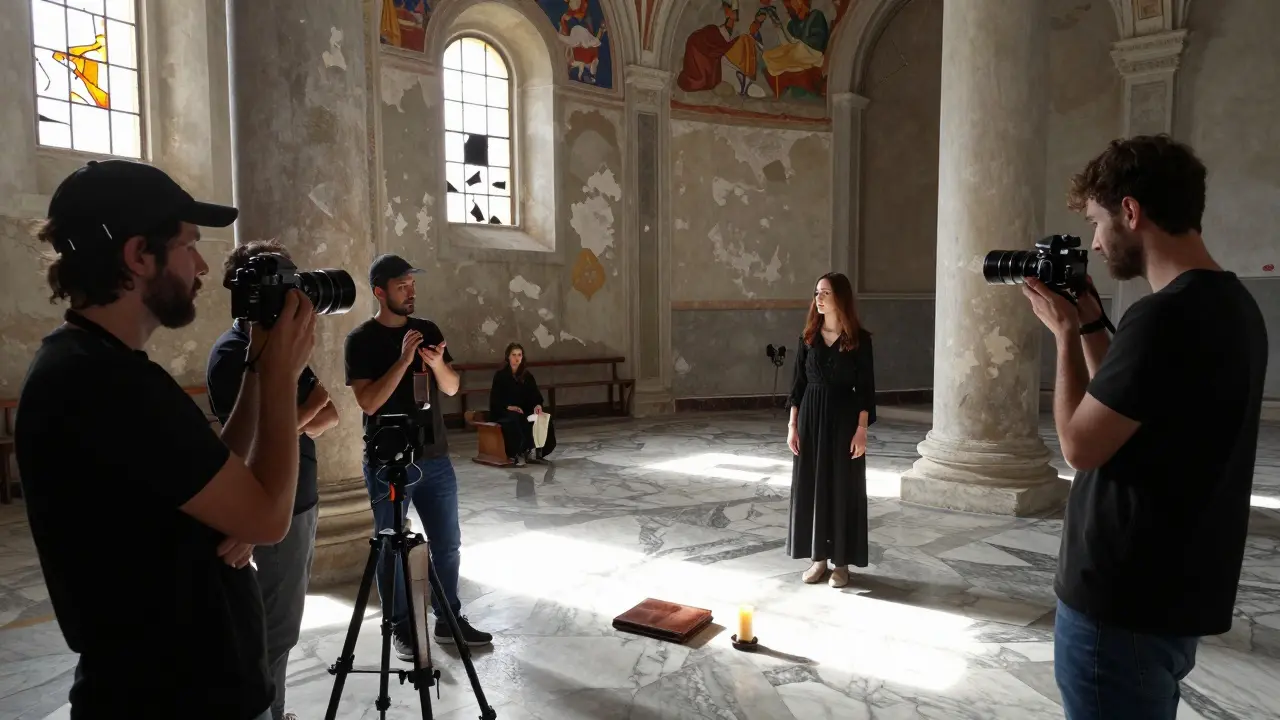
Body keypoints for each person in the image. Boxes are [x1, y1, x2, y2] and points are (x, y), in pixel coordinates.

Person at [14, 159, 316, 719]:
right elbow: (269, 518)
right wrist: (281, 377)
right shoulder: (107, 385)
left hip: (163, 685)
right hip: (173, 696)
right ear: (138, 256)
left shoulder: (92, 365)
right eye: (188, 245)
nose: (203, 266)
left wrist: (255, 366)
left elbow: (211, 470)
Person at [1021, 135, 1269, 720]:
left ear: (1130, 211)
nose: (1097, 244)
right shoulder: (1232, 306)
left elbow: (1081, 445)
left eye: (1097, 223)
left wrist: (1060, 336)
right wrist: (1088, 322)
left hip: (1119, 601)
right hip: (1173, 592)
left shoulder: (1162, 317)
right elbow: (1126, 400)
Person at [206, 239, 340, 720]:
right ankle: (268, 711)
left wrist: (288, 414)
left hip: (296, 496)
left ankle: (272, 708)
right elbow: (247, 440)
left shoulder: (272, 348)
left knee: (283, 621)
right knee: (277, 626)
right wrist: (292, 415)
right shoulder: (232, 354)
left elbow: (330, 412)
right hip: (268, 496)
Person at [344, 254, 493, 656]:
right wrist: (403, 361)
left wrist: (437, 363)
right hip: (388, 463)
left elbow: (449, 388)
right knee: (391, 545)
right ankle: (401, 626)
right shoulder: (361, 340)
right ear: (380, 291)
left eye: (412, 284)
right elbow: (369, 402)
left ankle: (448, 619)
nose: (411, 292)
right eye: (401, 286)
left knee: (447, 544)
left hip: (435, 457)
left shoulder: (427, 330)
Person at [785, 271, 876, 589]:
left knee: (842, 489)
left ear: (841, 297)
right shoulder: (808, 337)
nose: (818, 298)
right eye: (816, 293)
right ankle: (818, 559)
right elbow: (798, 386)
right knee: (812, 487)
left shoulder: (860, 340)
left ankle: (842, 563)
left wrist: (861, 430)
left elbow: (865, 390)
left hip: (843, 421)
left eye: (825, 292)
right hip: (810, 419)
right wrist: (792, 426)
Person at [489, 342, 557, 466]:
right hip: (504, 411)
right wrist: (509, 407)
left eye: (519, 355)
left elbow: (535, 396)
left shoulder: (527, 376)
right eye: (513, 355)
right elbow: (495, 399)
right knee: (515, 419)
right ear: (508, 357)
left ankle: (537, 452)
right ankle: (517, 452)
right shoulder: (501, 376)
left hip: (524, 409)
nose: (516, 358)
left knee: (544, 418)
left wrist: (537, 405)